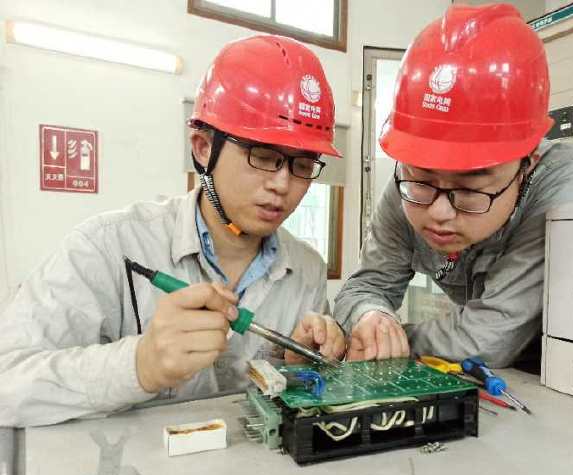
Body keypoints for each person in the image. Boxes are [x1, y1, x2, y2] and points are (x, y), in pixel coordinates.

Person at [0, 35, 345, 427]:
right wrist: (139, 365)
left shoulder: (307, 270)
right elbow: (7, 381)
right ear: (202, 148)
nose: (282, 184)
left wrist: (298, 368)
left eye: (303, 165)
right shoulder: (106, 247)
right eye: (263, 156)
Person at [333, 3, 573, 366]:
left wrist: (390, 342)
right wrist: (372, 319)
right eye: (422, 178)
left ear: (528, 162)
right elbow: (366, 286)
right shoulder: (409, 187)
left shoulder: (570, 188)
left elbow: (489, 337)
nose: (438, 212)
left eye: (468, 189)